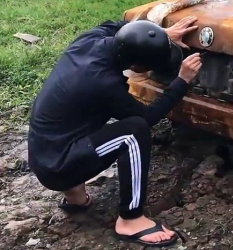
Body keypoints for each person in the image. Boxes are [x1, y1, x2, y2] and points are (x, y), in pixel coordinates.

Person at [27, 16, 202, 247]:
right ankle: (131, 219)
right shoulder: (104, 83)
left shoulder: (89, 40)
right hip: (57, 167)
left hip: (45, 153)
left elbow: (119, 24)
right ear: (136, 67)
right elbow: (146, 117)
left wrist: (159, 34)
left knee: (75, 125)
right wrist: (181, 81)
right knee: (133, 132)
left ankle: (74, 196)